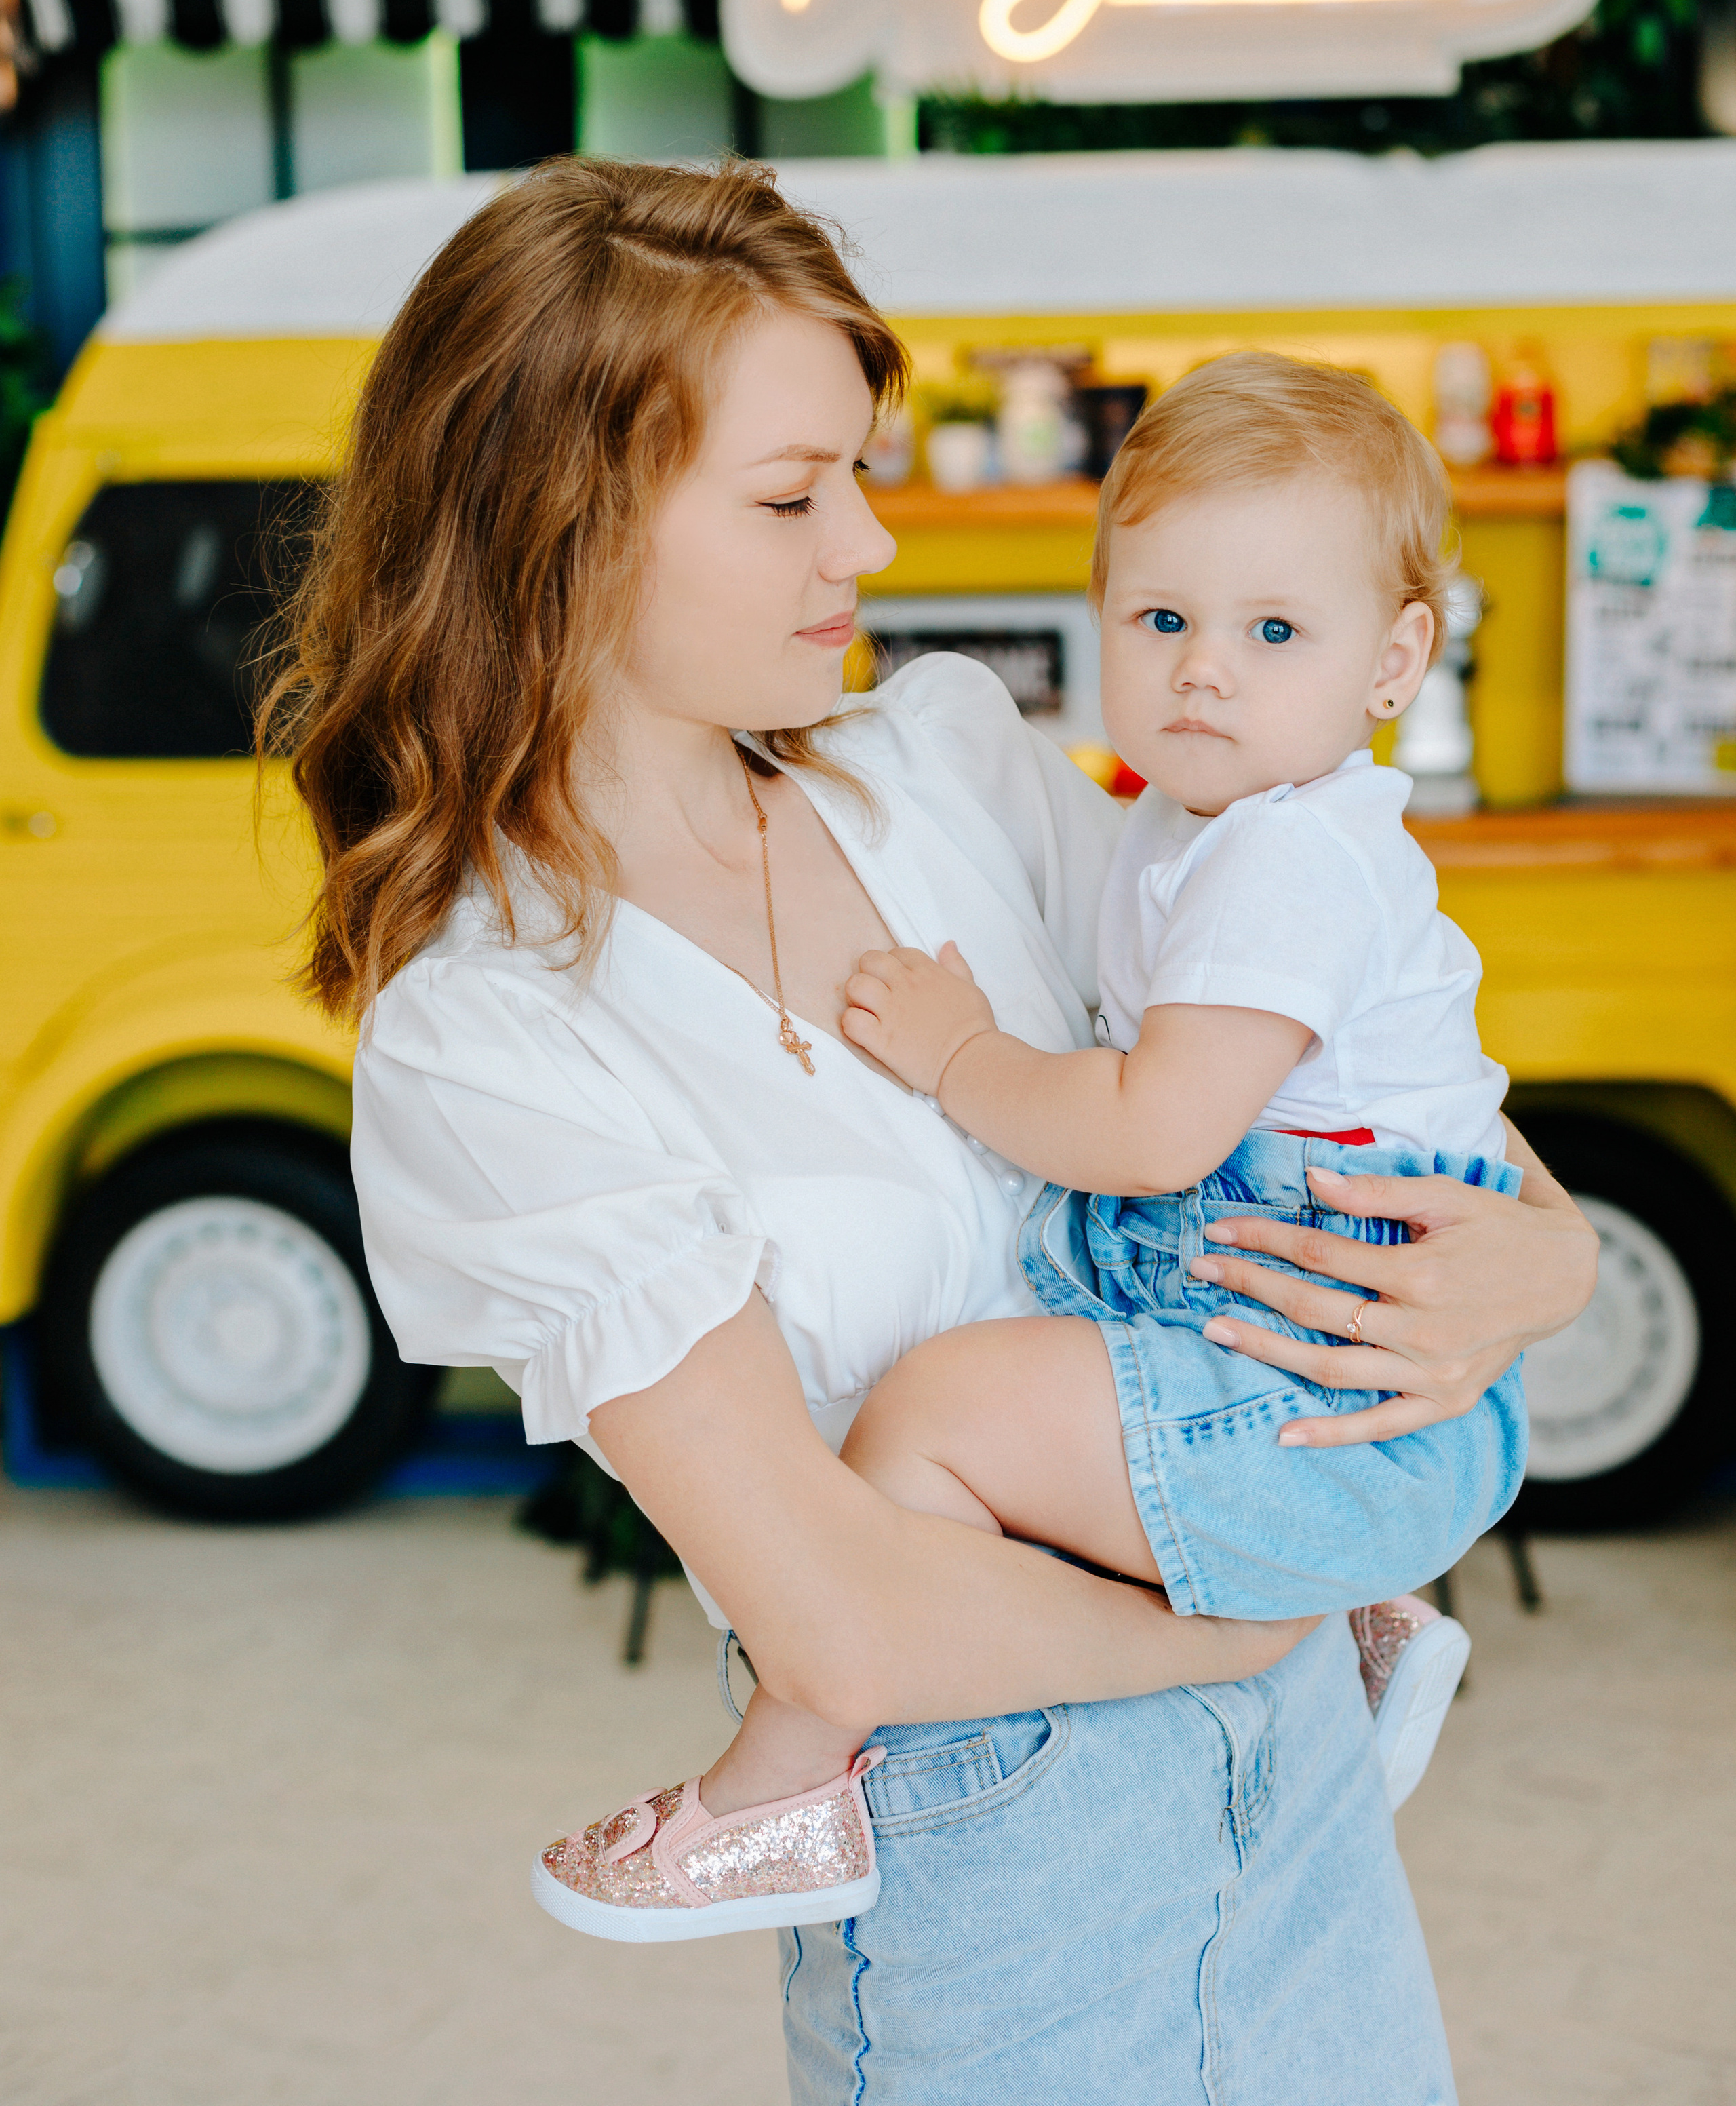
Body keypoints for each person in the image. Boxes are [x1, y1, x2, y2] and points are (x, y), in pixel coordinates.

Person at [269, 159, 1598, 2105]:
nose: (870, 545)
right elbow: (847, 1620)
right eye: (797, 496)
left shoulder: (954, 764)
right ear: (569, 522)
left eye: (863, 477)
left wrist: (1538, 1260)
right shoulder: (493, 1035)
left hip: (1308, 1812)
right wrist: (1271, 1621)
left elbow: (1335, 1084)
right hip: (1000, 1883)